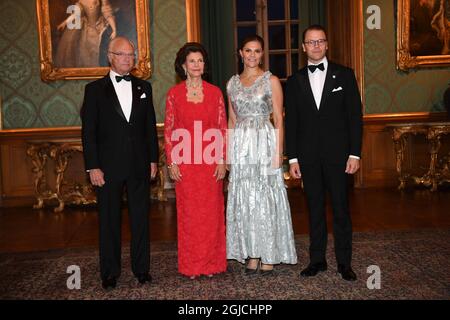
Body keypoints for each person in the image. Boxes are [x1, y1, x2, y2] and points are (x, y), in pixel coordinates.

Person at [285, 25, 363, 281]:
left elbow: (355, 118)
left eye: (320, 41)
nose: (316, 46)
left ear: (327, 45)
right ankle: (317, 260)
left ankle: (344, 263)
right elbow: (292, 123)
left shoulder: (345, 75)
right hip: (308, 157)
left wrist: (355, 154)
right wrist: (293, 158)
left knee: (341, 210)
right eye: (311, 42)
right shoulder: (295, 80)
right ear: (304, 47)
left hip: (340, 157)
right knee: (314, 209)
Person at [81, 37, 158, 290]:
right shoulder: (93, 90)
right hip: (107, 167)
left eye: (131, 55)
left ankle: (142, 270)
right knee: (109, 220)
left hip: (139, 165)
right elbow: (88, 133)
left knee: (140, 220)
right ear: (110, 56)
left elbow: (149, 128)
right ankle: (110, 272)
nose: (128, 59)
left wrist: (153, 160)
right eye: (123, 54)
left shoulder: (144, 87)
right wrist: (93, 166)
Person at [226, 35, 297, 275]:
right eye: (248, 50)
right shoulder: (232, 83)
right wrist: (228, 153)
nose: (252, 55)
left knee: (265, 197)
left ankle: (269, 252)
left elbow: (278, 118)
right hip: (242, 147)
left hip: (265, 143)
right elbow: (232, 119)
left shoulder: (271, 81)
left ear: (262, 54)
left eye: (257, 51)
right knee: (246, 199)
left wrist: (279, 153)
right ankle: (252, 252)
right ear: (240, 53)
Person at [164, 42, 227, 279]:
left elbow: (221, 128)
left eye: (200, 61)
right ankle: (192, 265)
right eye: (192, 61)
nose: (197, 65)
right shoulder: (174, 94)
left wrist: (222, 160)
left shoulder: (215, 92)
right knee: (190, 216)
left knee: (211, 215)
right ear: (183, 65)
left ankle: (212, 264)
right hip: (186, 164)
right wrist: (172, 162)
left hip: (210, 163)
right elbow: (169, 130)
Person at [55, 0, 117, 67]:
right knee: (84, 52)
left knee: (97, 50)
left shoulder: (102, 1)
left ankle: (98, 70)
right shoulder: (82, 1)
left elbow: (108, 14)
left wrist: (114, 29)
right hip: (86, 30)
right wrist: (64, 23)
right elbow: (75, 14)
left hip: (99, 29)